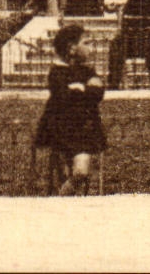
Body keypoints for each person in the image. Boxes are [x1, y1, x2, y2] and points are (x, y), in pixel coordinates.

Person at [34, 23, 107, 195]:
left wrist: (79, 89)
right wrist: (84, 90)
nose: (91, 48)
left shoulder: (88, 70)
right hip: (62, 129)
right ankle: (63, 199)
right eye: (86, 43)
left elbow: (97, 93)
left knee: (81, 172)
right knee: (67, 172)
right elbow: (64, 97)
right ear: (72, 48)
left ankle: (62, 197)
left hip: (84, 129)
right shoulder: (57, 72)